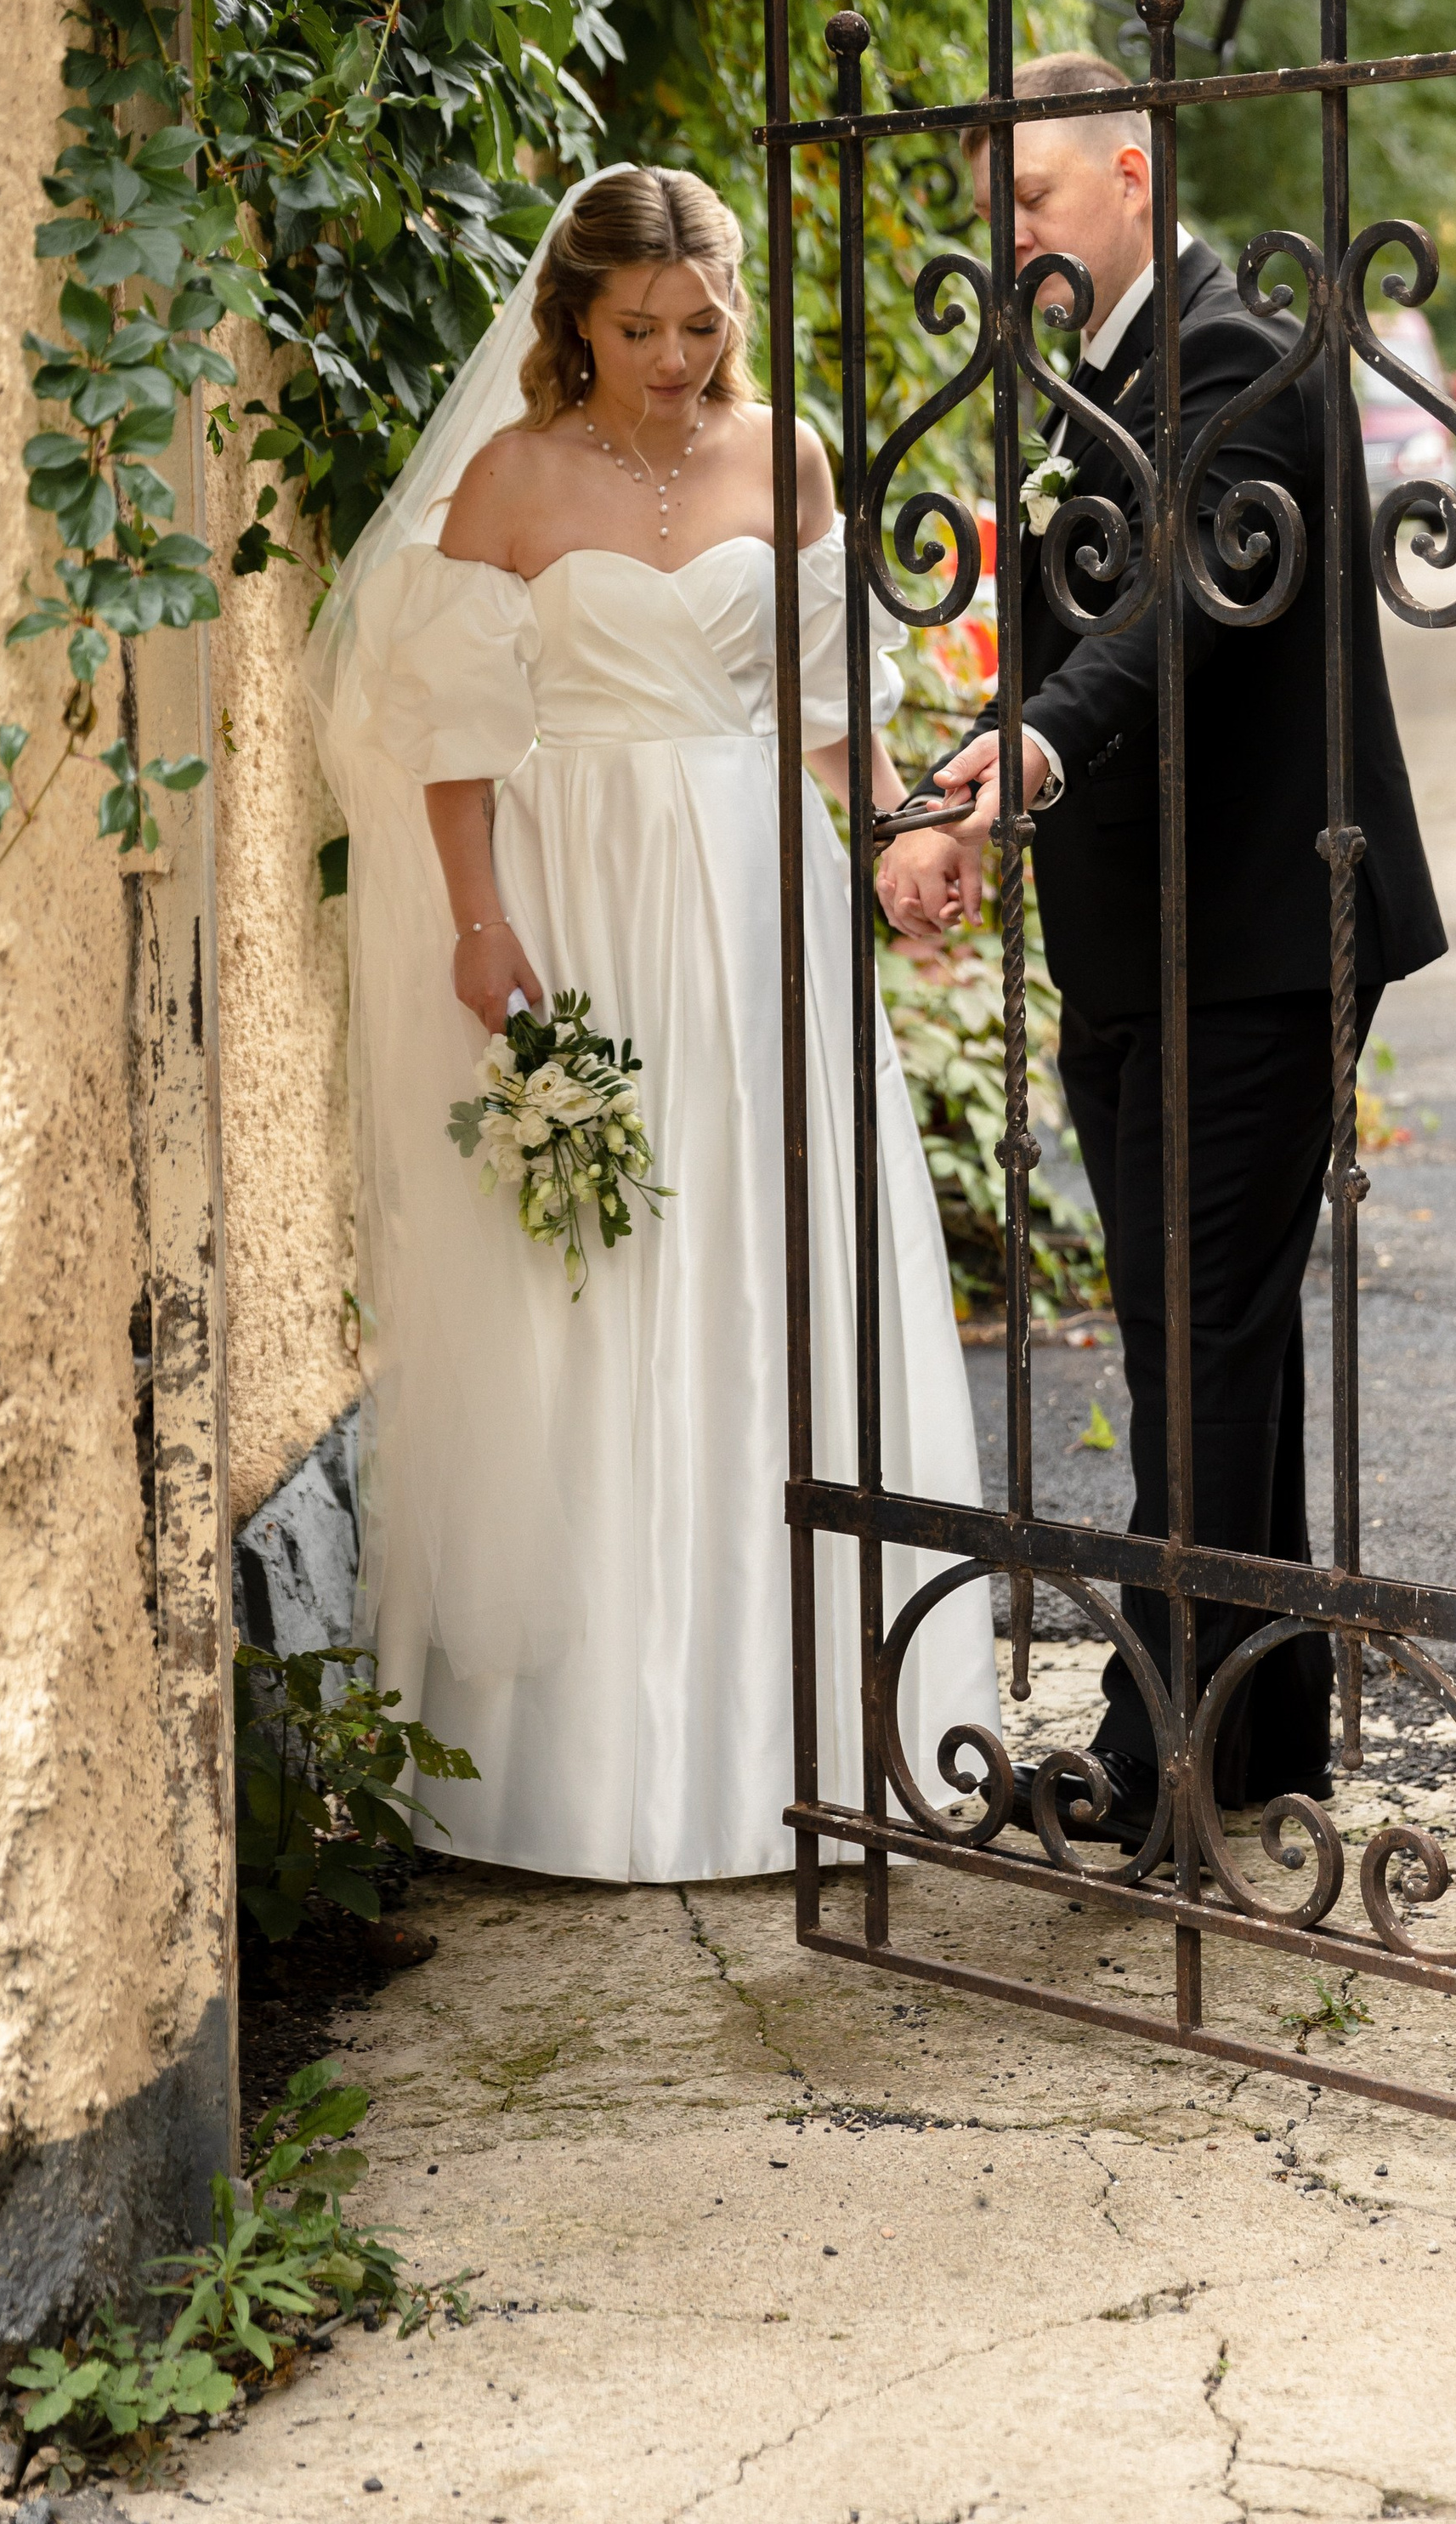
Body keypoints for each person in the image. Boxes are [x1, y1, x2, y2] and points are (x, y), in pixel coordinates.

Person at [306, 162, 997, 1884]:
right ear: (575, 319)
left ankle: (818, 1728)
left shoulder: (792, 461)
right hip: (584, 894)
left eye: (701, 324)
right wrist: (482, 926)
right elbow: (450, 738)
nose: (676, 358)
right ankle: (594, 1760)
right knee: (598, 1273)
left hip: (760, 885)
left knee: (779, 1255)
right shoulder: (511, 481)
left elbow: (832, 717)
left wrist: (908, 837)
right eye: (640, 328)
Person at [878, 55, 1446, 1847]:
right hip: (1135, 941)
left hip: (1263, 940)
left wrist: (1027, 750)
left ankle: (1152, 1754)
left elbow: (1176, 606)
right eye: (1000, 210)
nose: (1011, 236)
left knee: (1194, 1343)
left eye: (1032, 201)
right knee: (1204, 1340)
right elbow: (1070, 634)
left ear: (1130, 171)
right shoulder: (1089, 372)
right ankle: (1263, 1732)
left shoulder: (1227, 352)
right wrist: (982, 791)